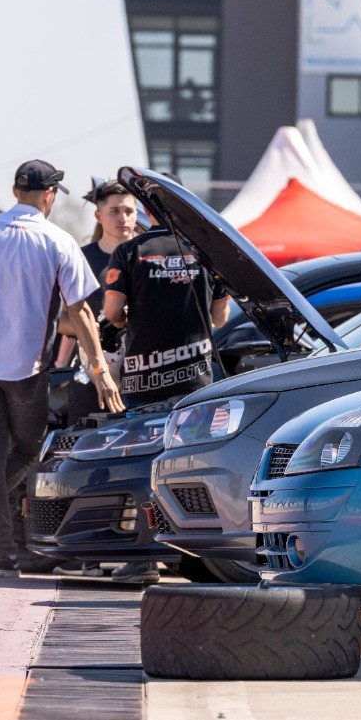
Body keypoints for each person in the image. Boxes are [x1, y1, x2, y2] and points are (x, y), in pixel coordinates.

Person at [0, 159, 122, 579]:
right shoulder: (58, 240)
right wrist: (100, 371)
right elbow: (83, 314)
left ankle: (0, 556)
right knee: (27, 452)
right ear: (49, 195)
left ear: (15, 192)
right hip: (25, 368)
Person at [99, 207, 231, 585]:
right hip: (197, 381)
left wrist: (129, 319)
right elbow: (220, 319)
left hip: (143, 381)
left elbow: (111, 312)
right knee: (195, 465)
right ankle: (201, 555)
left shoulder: (129, 250)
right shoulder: (206, 250)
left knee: (146, 465)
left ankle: (143, 560)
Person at [57, 179, 142, 422]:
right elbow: (59, 319)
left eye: (128, 211)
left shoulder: (148, 256)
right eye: (114, 211)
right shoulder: (81, 259)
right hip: (91, 378)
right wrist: (87, 328)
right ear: (98, 215)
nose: (122, 218)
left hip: (143, 380)